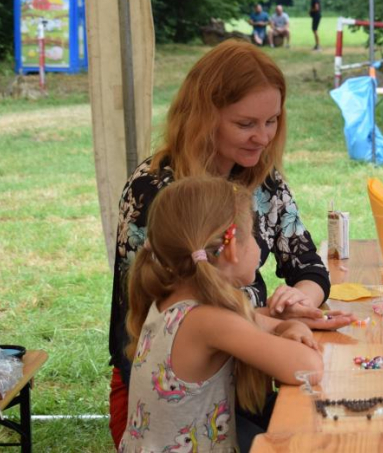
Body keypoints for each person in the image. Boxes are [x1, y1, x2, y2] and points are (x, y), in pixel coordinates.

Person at [108, 39, 353, 449]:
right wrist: (269, 328)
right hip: (183, 390)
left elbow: (308, 265)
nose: (262, 138)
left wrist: (296, 303)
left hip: (242, 372)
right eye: (246, 124)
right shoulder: (157, 191)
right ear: (205, 117)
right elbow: (155, 307)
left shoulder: (262, 176)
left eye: (272, 121)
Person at [119, 176, 323, 452]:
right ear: (230, 249)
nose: (257, 245)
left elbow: (260, 321)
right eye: (252, 235)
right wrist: (296, 333)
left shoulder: (170, 301)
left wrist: (286, 327)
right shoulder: (210, 320)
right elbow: (308, 367)